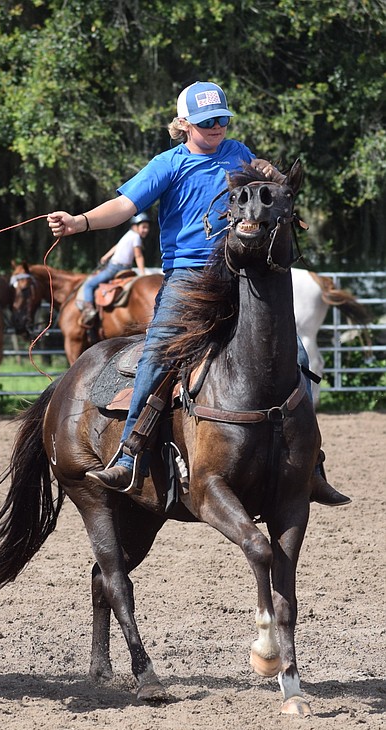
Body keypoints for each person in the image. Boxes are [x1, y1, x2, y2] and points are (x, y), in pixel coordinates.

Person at [47, 80, 349, 506]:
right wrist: (79, 221)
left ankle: (311, 463)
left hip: (239, 273)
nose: (217, 127)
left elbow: (263, 188)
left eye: (222, 120)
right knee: (156, 355)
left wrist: (268, 173)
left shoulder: (238, 152)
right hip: (187, 280)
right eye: (208, 122)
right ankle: (130, 453)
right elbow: (125, 206)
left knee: (296, 355)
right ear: (184, 124)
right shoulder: (166, 165)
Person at [77, 212, 151, 324]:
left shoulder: (132, 236)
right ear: (135, 226)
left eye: (147, 227)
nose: (146, 230)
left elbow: (138, 255)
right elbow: (118, 247)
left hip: (114, 268)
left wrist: (142, 274)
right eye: (144, 227)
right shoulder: (133, 236)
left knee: (89, 285)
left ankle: (89, 310)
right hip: (124, 268)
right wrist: (106, 256)